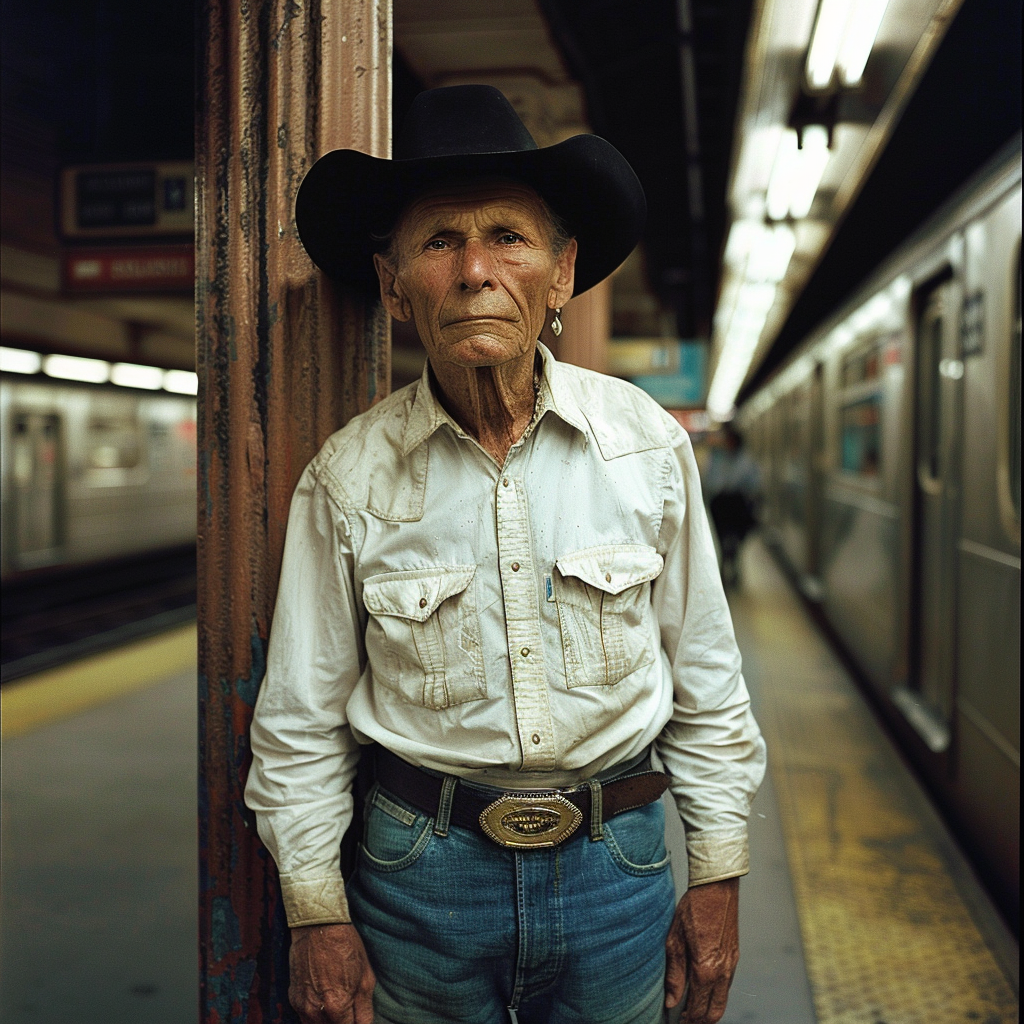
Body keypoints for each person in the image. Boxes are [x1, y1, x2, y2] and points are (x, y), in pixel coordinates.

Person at [245, 85, 765, 1024]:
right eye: (439, 242)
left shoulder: (645, 447)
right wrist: (314, 912)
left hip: (622, 867)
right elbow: (301, 719)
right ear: (395, 283)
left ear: (560, 276)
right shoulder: (348, 479)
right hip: (418, 878)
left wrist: (718, 872)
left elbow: (708, 680)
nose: (476, 269)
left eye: (509, 239)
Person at [703, 425, 760, 588]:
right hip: (721, 503)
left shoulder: (745, 459)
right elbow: (710, 480)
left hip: (737, 503)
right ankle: (724, 568)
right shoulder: (717, 457)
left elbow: (753, 483)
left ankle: (732, 564)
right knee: (721, 538)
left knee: (736, 539)